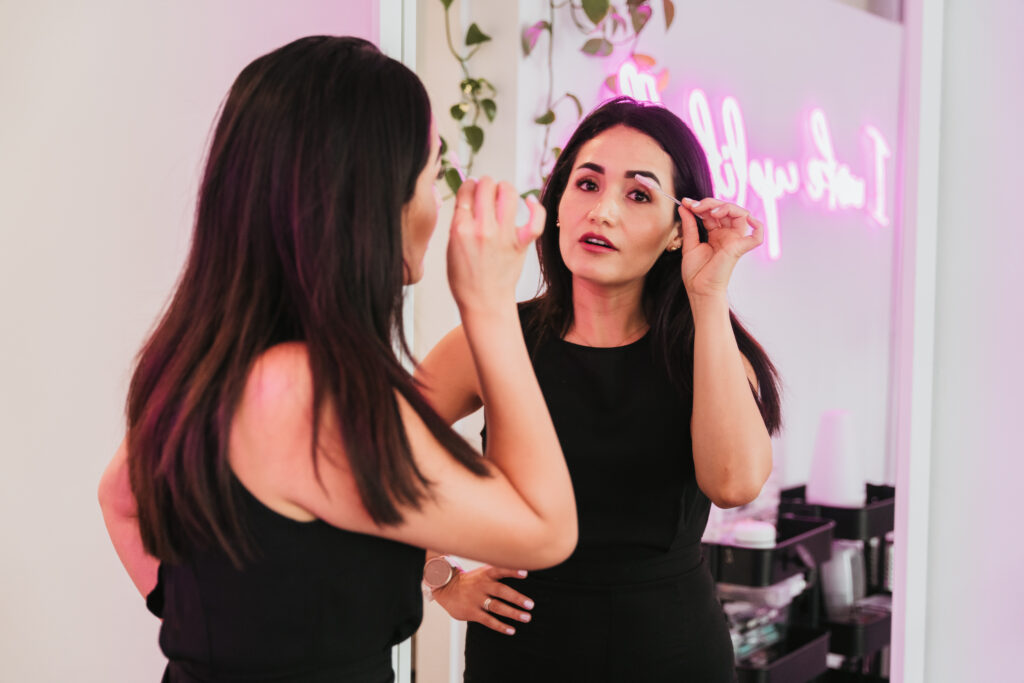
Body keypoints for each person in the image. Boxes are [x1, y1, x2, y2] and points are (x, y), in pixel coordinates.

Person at [97, 36, 578, 683]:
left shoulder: (206, 360)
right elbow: (546, 529)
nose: (435, 204)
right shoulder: (307, 395)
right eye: (431, 174)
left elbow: (118, 497)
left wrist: (210, 633)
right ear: (373, 198)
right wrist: (489, 307)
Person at [416, 96, 782, 682]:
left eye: (638, 195)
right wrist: (437, 574)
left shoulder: (705, 354)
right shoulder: (495, 337)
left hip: (673, 651)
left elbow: (734, 484)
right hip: (521, 651)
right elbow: (374, 447)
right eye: (587, 184)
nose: (603, 211)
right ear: (558, 204)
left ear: (674, 234)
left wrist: (708, 295)